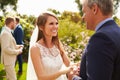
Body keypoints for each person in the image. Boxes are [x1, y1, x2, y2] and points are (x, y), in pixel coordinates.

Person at [71, 0, 120, 80]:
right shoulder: (117, 32)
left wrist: (73, 77)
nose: (83, 17)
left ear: (94, 9)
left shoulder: (101, 38)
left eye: (84, 12)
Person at [26, 12, 73, 80]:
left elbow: (68, 64)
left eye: (56, 23)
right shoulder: (35, 48)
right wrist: (61, 72)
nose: (55, 27)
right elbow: (41, 77)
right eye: (51, 24)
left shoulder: (57, 44)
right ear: (41, 27)